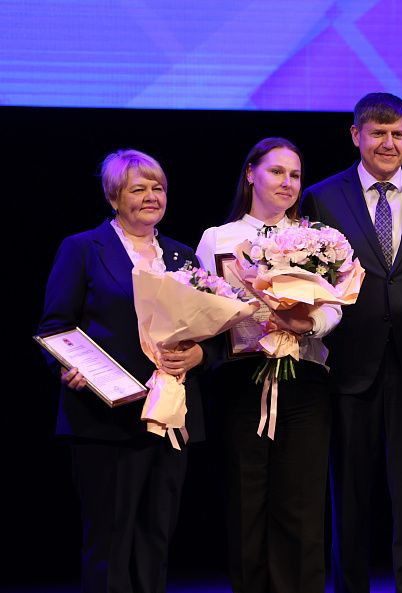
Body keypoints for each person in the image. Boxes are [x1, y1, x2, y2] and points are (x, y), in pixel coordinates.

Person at [37, 149, 206, 593]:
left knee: (157, 539)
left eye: (158, 188)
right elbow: (55, 327)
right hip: (106, 418)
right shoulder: (82, 248)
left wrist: (198, 356)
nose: (152, 196)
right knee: (109, 542)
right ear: (114, 198)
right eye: (139, 189)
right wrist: (71, 367)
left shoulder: (182, 255)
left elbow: (209, 333)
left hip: (169, 419)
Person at [300, 92, 402, 593]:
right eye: (377, 133)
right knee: (349, 493)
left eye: (397, 134)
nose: (388, 143)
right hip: (348, 366)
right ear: (355, 135)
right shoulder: (322, 197)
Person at [196, 137, 341, 593]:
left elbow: (337, 305)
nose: (287, 182)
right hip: (241, 381)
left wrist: (307, 323)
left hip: (304, 379)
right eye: (277, 171)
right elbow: (202, 305)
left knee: (301, 507)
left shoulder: (319, 238)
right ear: (250, 174)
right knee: (246, 503)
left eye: (295, 175)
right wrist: (237, 314)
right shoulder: (219, 238)